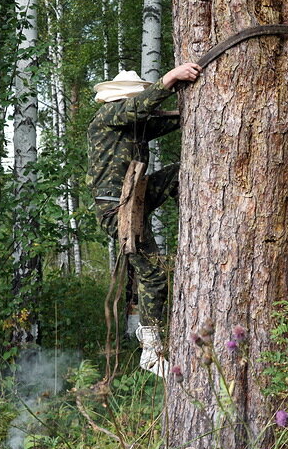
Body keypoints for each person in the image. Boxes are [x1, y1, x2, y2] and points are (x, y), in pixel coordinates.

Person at [86, 63, 202, 377]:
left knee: (179, 171)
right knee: (151, 274)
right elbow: (139, 108)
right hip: (118, 209)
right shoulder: (108, 117)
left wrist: (196, 100)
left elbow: (168, 120)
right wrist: (169, 80)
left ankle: (199, 228)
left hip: (133, 199)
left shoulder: (133, 125)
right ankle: (150, 350)